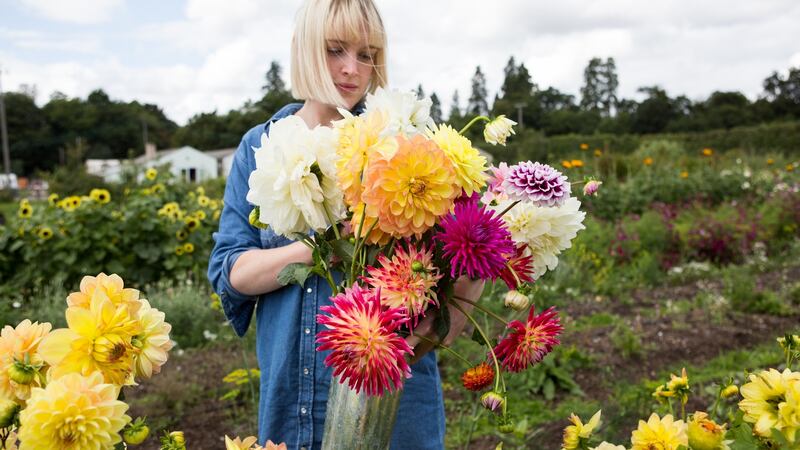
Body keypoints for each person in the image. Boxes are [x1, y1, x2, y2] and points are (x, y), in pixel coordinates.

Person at [208, 1, 482, 448]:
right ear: (305, 49)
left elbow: (467, 261)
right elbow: (233, 273)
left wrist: (430, 333)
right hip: (294, 402)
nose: (351, 69)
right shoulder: (259, 146)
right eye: (335, 50)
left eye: (367, 54)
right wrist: (327, 243)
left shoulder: (407, 148)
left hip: (394, 408)